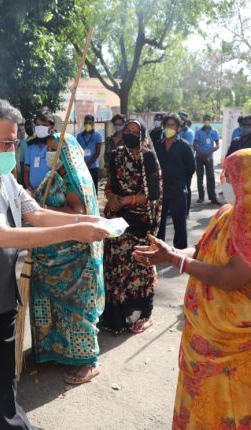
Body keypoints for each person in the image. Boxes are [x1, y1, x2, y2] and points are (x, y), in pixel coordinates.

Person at [0, 97, 109, 430]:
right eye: (5, 143)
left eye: (15, 143)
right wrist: (74, 232)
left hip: (2, 296)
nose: (12, 150)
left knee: (3, 378)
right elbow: (3, 236)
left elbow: (37, 213)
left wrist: (85, 219)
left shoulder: (4, 176)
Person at [133, 148, 251, 430]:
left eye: (232, 177)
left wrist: (175, 260)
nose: (226, 183)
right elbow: (201, 249)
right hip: (204, 336)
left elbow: (231, 278)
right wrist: (171, 252)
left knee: (228, 410)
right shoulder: (227, 213)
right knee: (197, 406)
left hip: (234, 344)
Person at [30, 133, 104, 385]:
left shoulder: (72, 179)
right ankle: (57, 351)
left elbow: (78, 212)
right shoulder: (54, 176)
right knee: (51, 307)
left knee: (76, 309)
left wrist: (44, 211)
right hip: (48, 255)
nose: (49, 153)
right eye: (49, 149)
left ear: (67, 153)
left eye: (55, 149)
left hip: (72, 258)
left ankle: (88, 361)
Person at [100, 119, 162, 335]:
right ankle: (115, 317)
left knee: (138, 266)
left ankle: (138, 314)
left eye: (135, 131)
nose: (130, 134)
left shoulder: (148, 158)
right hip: (117, 219)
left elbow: (153, 195)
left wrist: (127, 200)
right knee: (115, 266)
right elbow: (109, 186)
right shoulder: (116, 156)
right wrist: (111, 198)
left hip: (140, 222)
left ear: (142, 135)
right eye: (128, 130)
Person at [155, 114, 195, 250]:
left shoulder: (184, 146)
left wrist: (181, 181)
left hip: (178, 190)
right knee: (159, 222)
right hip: (161, 190)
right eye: (167, 125)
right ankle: (159, 249)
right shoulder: (158, 145)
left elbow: (191, 167)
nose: (169, 127)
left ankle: (180, 251)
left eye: (172, 125)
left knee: (179, 222)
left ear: (178, 128)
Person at [193, 114, 221, 205]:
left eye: (208, 119)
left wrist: (209, 152)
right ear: (203, 121)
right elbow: (195, 144)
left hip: (209, 157)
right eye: (205, 119)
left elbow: (217, 145)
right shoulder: (198, 131)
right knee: (200, 177)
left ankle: (212, 197)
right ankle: (201, 197)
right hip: (199, 157)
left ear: (210, 120)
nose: (206, 121)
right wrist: (201, 154)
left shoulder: (214, 131)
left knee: (211, 177)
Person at [24, 110, 54, 193]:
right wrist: (29, 188)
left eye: (44, 125)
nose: (40, 128)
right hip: (33, 192)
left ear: (51, 127)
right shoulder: (31, 146)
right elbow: (26, 170)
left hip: (52, 192)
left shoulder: (57, 145)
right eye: (37, 125)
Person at [76, 114, 103, 193]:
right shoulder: (79, 136)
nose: (88, 125)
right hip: (81, 167)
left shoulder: (97, 135)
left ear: (93, 124)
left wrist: (89, 164)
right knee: (83, 188)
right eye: (86, 123)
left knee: (93, 188)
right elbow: (77, 150)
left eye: (90, 123)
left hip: (93, 167)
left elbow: (97, 152)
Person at [18, 119, 35, 184]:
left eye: (30, 126)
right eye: (27, 127)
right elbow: (21, 158)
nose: (29, 129)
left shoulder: (39, 141)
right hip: (26, 165)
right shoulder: (23, 142)